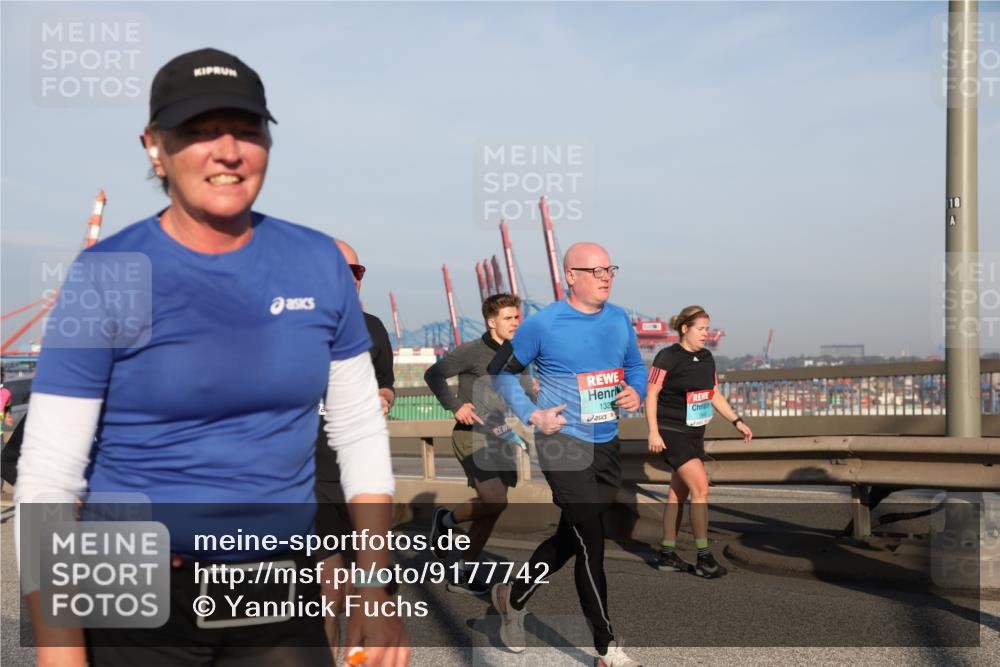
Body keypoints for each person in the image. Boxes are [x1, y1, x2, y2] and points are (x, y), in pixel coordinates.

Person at [15, 48, 409, 667]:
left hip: (276, 582)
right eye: (197, 130)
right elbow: (47, 479)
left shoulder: (317, 264)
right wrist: (59, 653)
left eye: (247, 128)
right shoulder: (107, 275)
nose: (227, 149)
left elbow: (358, 429)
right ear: (154, 147)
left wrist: (375, 589)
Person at [487, 243, 646, 667]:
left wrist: (637, 391)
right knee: (592, 542)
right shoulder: (542, 324)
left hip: (606, 441)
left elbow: (635, 366)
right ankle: (606, 648)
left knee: (571, 537)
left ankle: (513, 594)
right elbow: (499, 372)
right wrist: (533, 414)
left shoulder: (618, 319)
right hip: (563, 443)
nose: (605, 276)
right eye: (594, 270)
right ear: (570, 276)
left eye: (609, 268)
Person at [315, 239, 396, 662]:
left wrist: (383, 396)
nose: (350, 278)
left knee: (366, 594)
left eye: (357, 271)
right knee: (330, 592)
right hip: (314, 478)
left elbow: (387, 384)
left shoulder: (374, 328)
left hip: (364, 481)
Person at [424, 293, 529, 595]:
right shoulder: (471, 351)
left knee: (491, 510)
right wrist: (456, 405)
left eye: (517, 317)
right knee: (496, 500)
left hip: (500, 434)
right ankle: (445, 519)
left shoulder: (516, 355)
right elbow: (434, 374)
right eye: (508, 318)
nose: (515, 323)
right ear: (492, 321)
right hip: (471, 435)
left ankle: (462, 572)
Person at [645, 305, 752, 578]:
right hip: (671, 432)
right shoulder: (666, 357)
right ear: (685, 328)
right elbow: (652, 395)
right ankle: (704, 557)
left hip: (695, 434)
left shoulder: (707, 358)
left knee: (677, 493)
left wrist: (737, 421)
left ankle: (667, 554)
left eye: (708, 329)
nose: (707, 334)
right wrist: (653, 431)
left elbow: (714, 393)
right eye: (702, 329)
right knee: (701, 488)